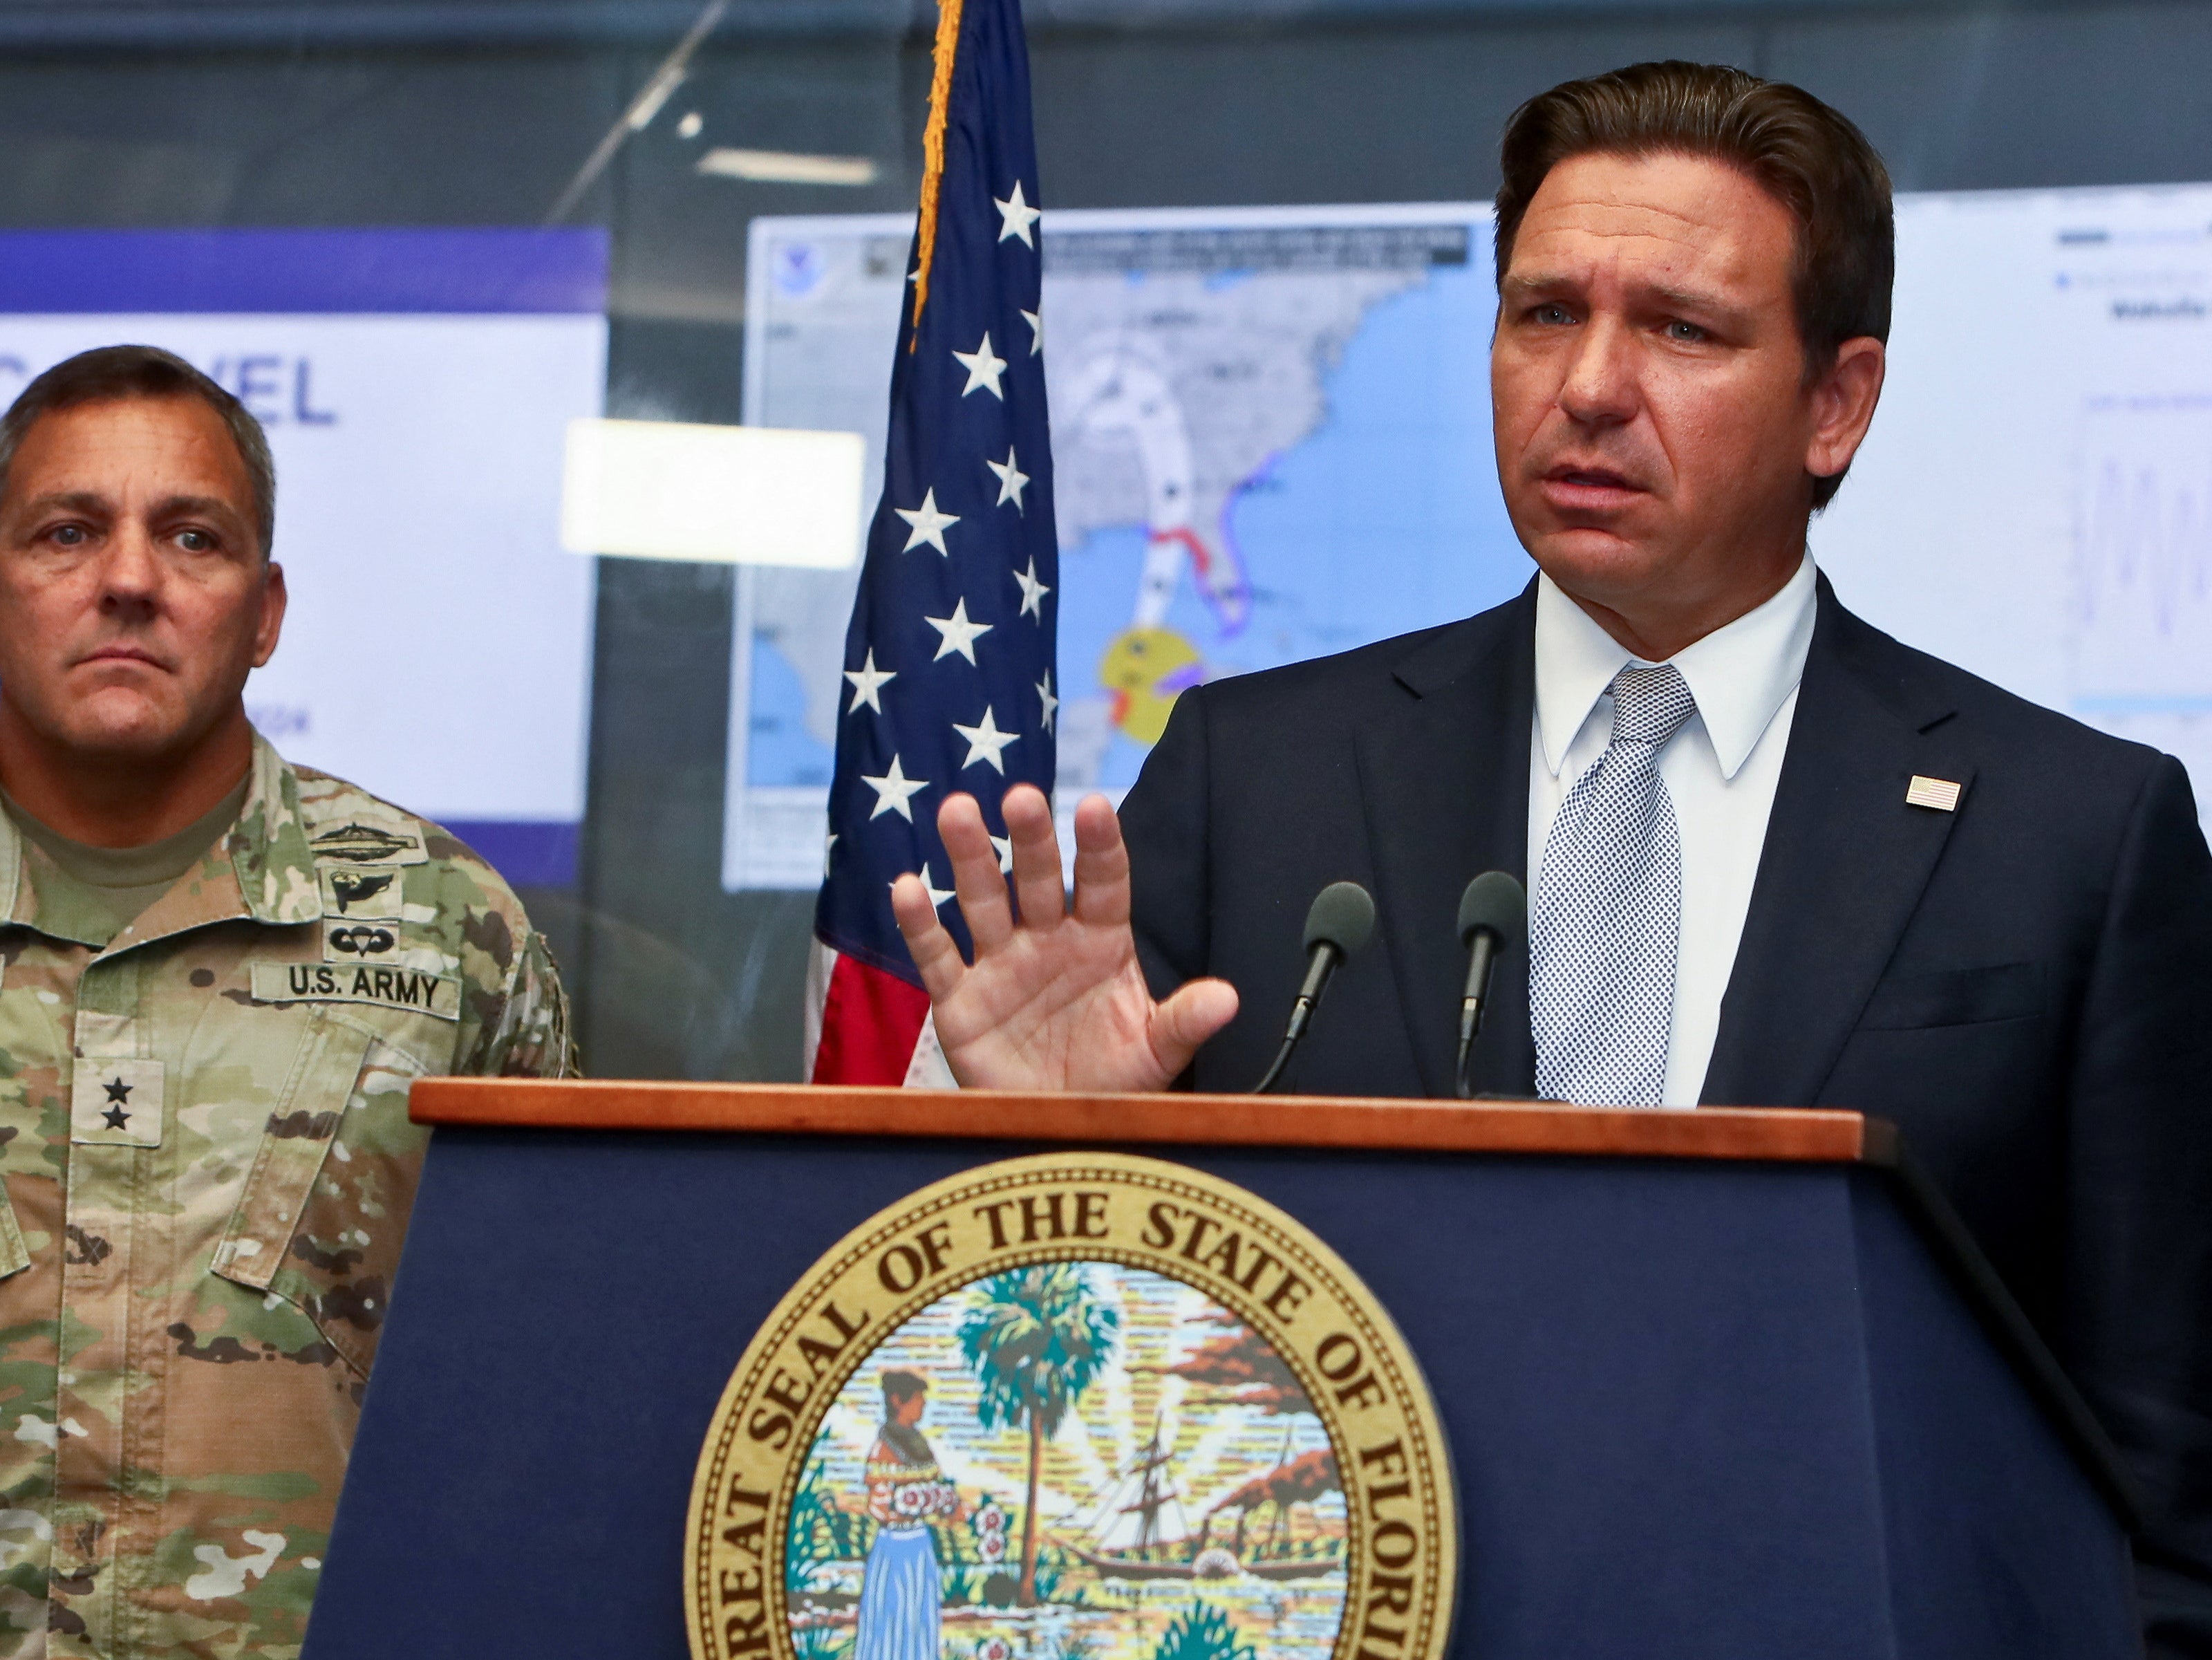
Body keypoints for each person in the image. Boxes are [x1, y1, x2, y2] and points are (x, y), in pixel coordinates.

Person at [891, 62, 2212, 1651]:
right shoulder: (1260, 774)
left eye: (1680, 329)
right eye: (1541, 315)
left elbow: (2158, 1486)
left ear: (1835, 404)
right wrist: (1042, 1166)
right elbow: (1073, 1405)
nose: (1588, 385)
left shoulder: (2073, 832)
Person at [0, 344, 574, 1657]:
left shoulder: (455, 939)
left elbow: (538, 1387)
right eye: (67, 533)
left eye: (193, 537)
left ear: (268, 608)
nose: (128, 580)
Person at [855, 1370, 957, 1660]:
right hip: (893, 1548)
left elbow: (938, 1491)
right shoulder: (883, 1448)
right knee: (891, 1617)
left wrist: (946, 1505)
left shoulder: (921, 1444)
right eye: (917, 1400)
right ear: (897, 1401)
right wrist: (900, 1506)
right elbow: (878, 1505)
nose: (923, 1406)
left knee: (920, 1617)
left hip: (920, 1546)